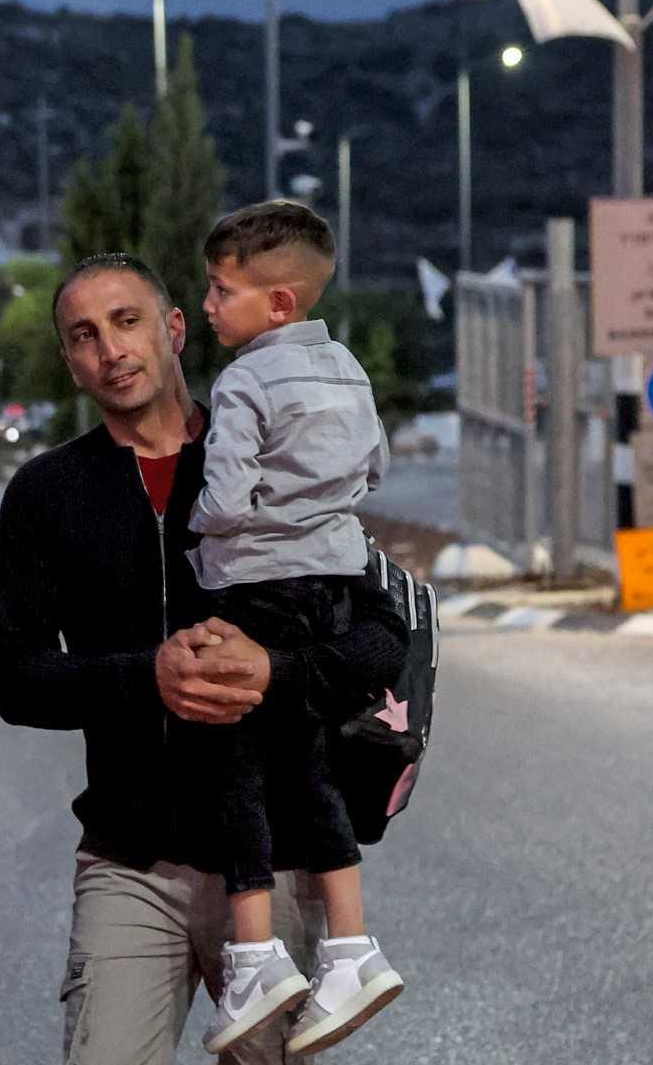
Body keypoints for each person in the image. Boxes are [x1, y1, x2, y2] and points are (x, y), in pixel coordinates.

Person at [0, 251, 409, 1065]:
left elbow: (381, 636)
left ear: (174, 328)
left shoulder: (273, 458)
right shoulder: (46, 493)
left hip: (276, 858)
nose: (110, 349)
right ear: (70, 360)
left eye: (127, 321)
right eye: (84, 335)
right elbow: (17, 678)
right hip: (130, 861)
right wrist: (146, 676)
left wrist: (277, 673)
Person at [188, 201, 400, 1057]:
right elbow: (375, 467)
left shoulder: (243, 381)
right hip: (334, 584)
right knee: (310, 769)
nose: (207, 304)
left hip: (257, 590)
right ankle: (350, 948)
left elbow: (227, 498)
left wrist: (197, 527)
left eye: (221, 289)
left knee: (236, 770)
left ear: (278, 304)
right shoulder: (346, 367)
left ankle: (255, 957)